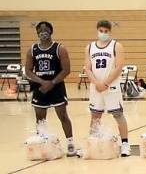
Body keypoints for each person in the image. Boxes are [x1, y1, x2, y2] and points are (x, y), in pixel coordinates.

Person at [25, 21, 76, 156]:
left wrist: (51, 83)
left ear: (51, 31)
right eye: (40, 30)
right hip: (40, 87)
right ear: (37, 33)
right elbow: (28, 71)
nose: (43, 32)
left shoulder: (59, 48)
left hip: (56, 86)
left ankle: (70, 143)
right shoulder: (32, 50)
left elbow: (66, 70)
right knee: (40, 118)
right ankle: (41, 142)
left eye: (45, 30)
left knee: (63, 116)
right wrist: (42, 82)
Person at [84, 20, 130, 156]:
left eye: (106, 31)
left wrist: (105, 83)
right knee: (95, 116)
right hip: (96, 87)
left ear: (110, 32)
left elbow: (119, 67)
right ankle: (92, 143)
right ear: (97, 30)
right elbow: (87, 67)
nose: (103, 33)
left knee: (118, 115)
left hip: (112, 86)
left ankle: (125, 144)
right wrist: (96, 83)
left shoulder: (116, 46)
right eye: (101, 31)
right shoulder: (90, 47)